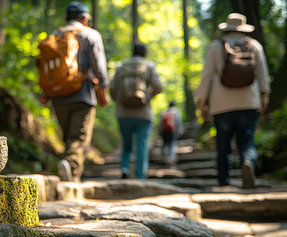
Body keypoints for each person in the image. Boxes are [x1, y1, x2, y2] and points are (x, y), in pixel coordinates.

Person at [196, 13, 270, 188]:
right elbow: (262, 74)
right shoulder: (254, 46)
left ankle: (224, 182)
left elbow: (206, 75)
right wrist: (264, 96)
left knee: (223, 145)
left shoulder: (216, 47)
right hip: (249, 102)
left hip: (222, 105)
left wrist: (201, 102)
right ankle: (247, 161)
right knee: (247, 141)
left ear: (226, 28)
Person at [40, 1, 109, 182]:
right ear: (84, 18)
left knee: (68, 137)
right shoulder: (90, 35)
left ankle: (68, 168)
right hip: (83, 94)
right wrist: (102, 94)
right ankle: (70, 168)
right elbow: (100, 68)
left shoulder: (55, 35)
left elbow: (46, 66)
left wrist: (46, 92)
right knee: (78, 137)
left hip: (57, 95)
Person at [110, 43, 162, 179]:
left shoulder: (121, 66)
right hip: (143, 113)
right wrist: (148, 97)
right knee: (142, 144)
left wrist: (120, 102)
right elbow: (158, 86)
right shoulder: (149, 65)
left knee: (126, 144)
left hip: (123, 113)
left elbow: (112, 88)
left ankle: (124, 168)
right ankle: (140, 175)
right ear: (145, 53)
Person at [160, 100, 183, 166]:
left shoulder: (164, 112)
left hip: (165, 131)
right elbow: (178, 122)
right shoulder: (176, 112)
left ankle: (163, 158)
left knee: (164, 145)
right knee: (172, 144)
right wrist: (180, 130)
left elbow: (161, 123)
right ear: (174, 105)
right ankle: (172, 158)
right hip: (172, 131)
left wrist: (160, 131)